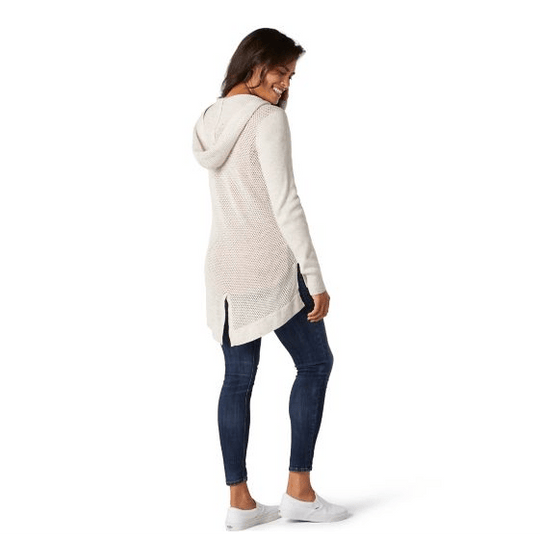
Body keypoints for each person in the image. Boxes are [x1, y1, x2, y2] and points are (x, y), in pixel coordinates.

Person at [192, 28, 349, 532]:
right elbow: (286, 203)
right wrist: (314, 276)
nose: (285, 84)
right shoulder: (266, 119)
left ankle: (240, 505)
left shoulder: (210, 118)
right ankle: (299, 493)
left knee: (237, 379)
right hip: (271, 264)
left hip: (224, 268)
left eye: (291, 76)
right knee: (316, 362)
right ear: (254, 64)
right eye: (281, 71)